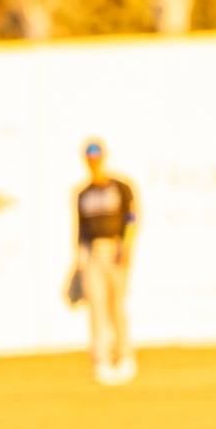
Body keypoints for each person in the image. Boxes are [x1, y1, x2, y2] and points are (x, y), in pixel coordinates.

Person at [75, 139, 139, 386]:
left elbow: (131, 219)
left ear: (104, 158)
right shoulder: (83, 193)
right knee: (97, 310)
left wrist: (128, 248)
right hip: (93, 254)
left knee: (117, 309)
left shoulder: (120, 187)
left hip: (115, 252)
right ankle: (101, 360)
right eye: (90, 159)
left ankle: (125, 357)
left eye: (97, 158)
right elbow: (80, 230)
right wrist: (78, 264)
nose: (94, 163)